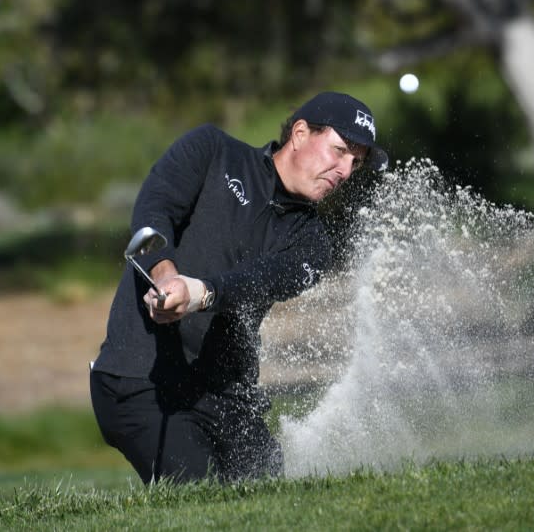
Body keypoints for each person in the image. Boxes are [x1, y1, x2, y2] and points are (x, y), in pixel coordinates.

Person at [89, 92, 387, 484]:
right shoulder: (213, 152)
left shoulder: (313, 242)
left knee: (272, 495)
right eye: (339, 150)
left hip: (224, 396)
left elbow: (261, 279)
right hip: (140, 381)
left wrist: (200, 293)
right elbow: (155, 208)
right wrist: (164, 275)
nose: (345, 170)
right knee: (201, 496)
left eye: (356, 162)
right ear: (300, 133)